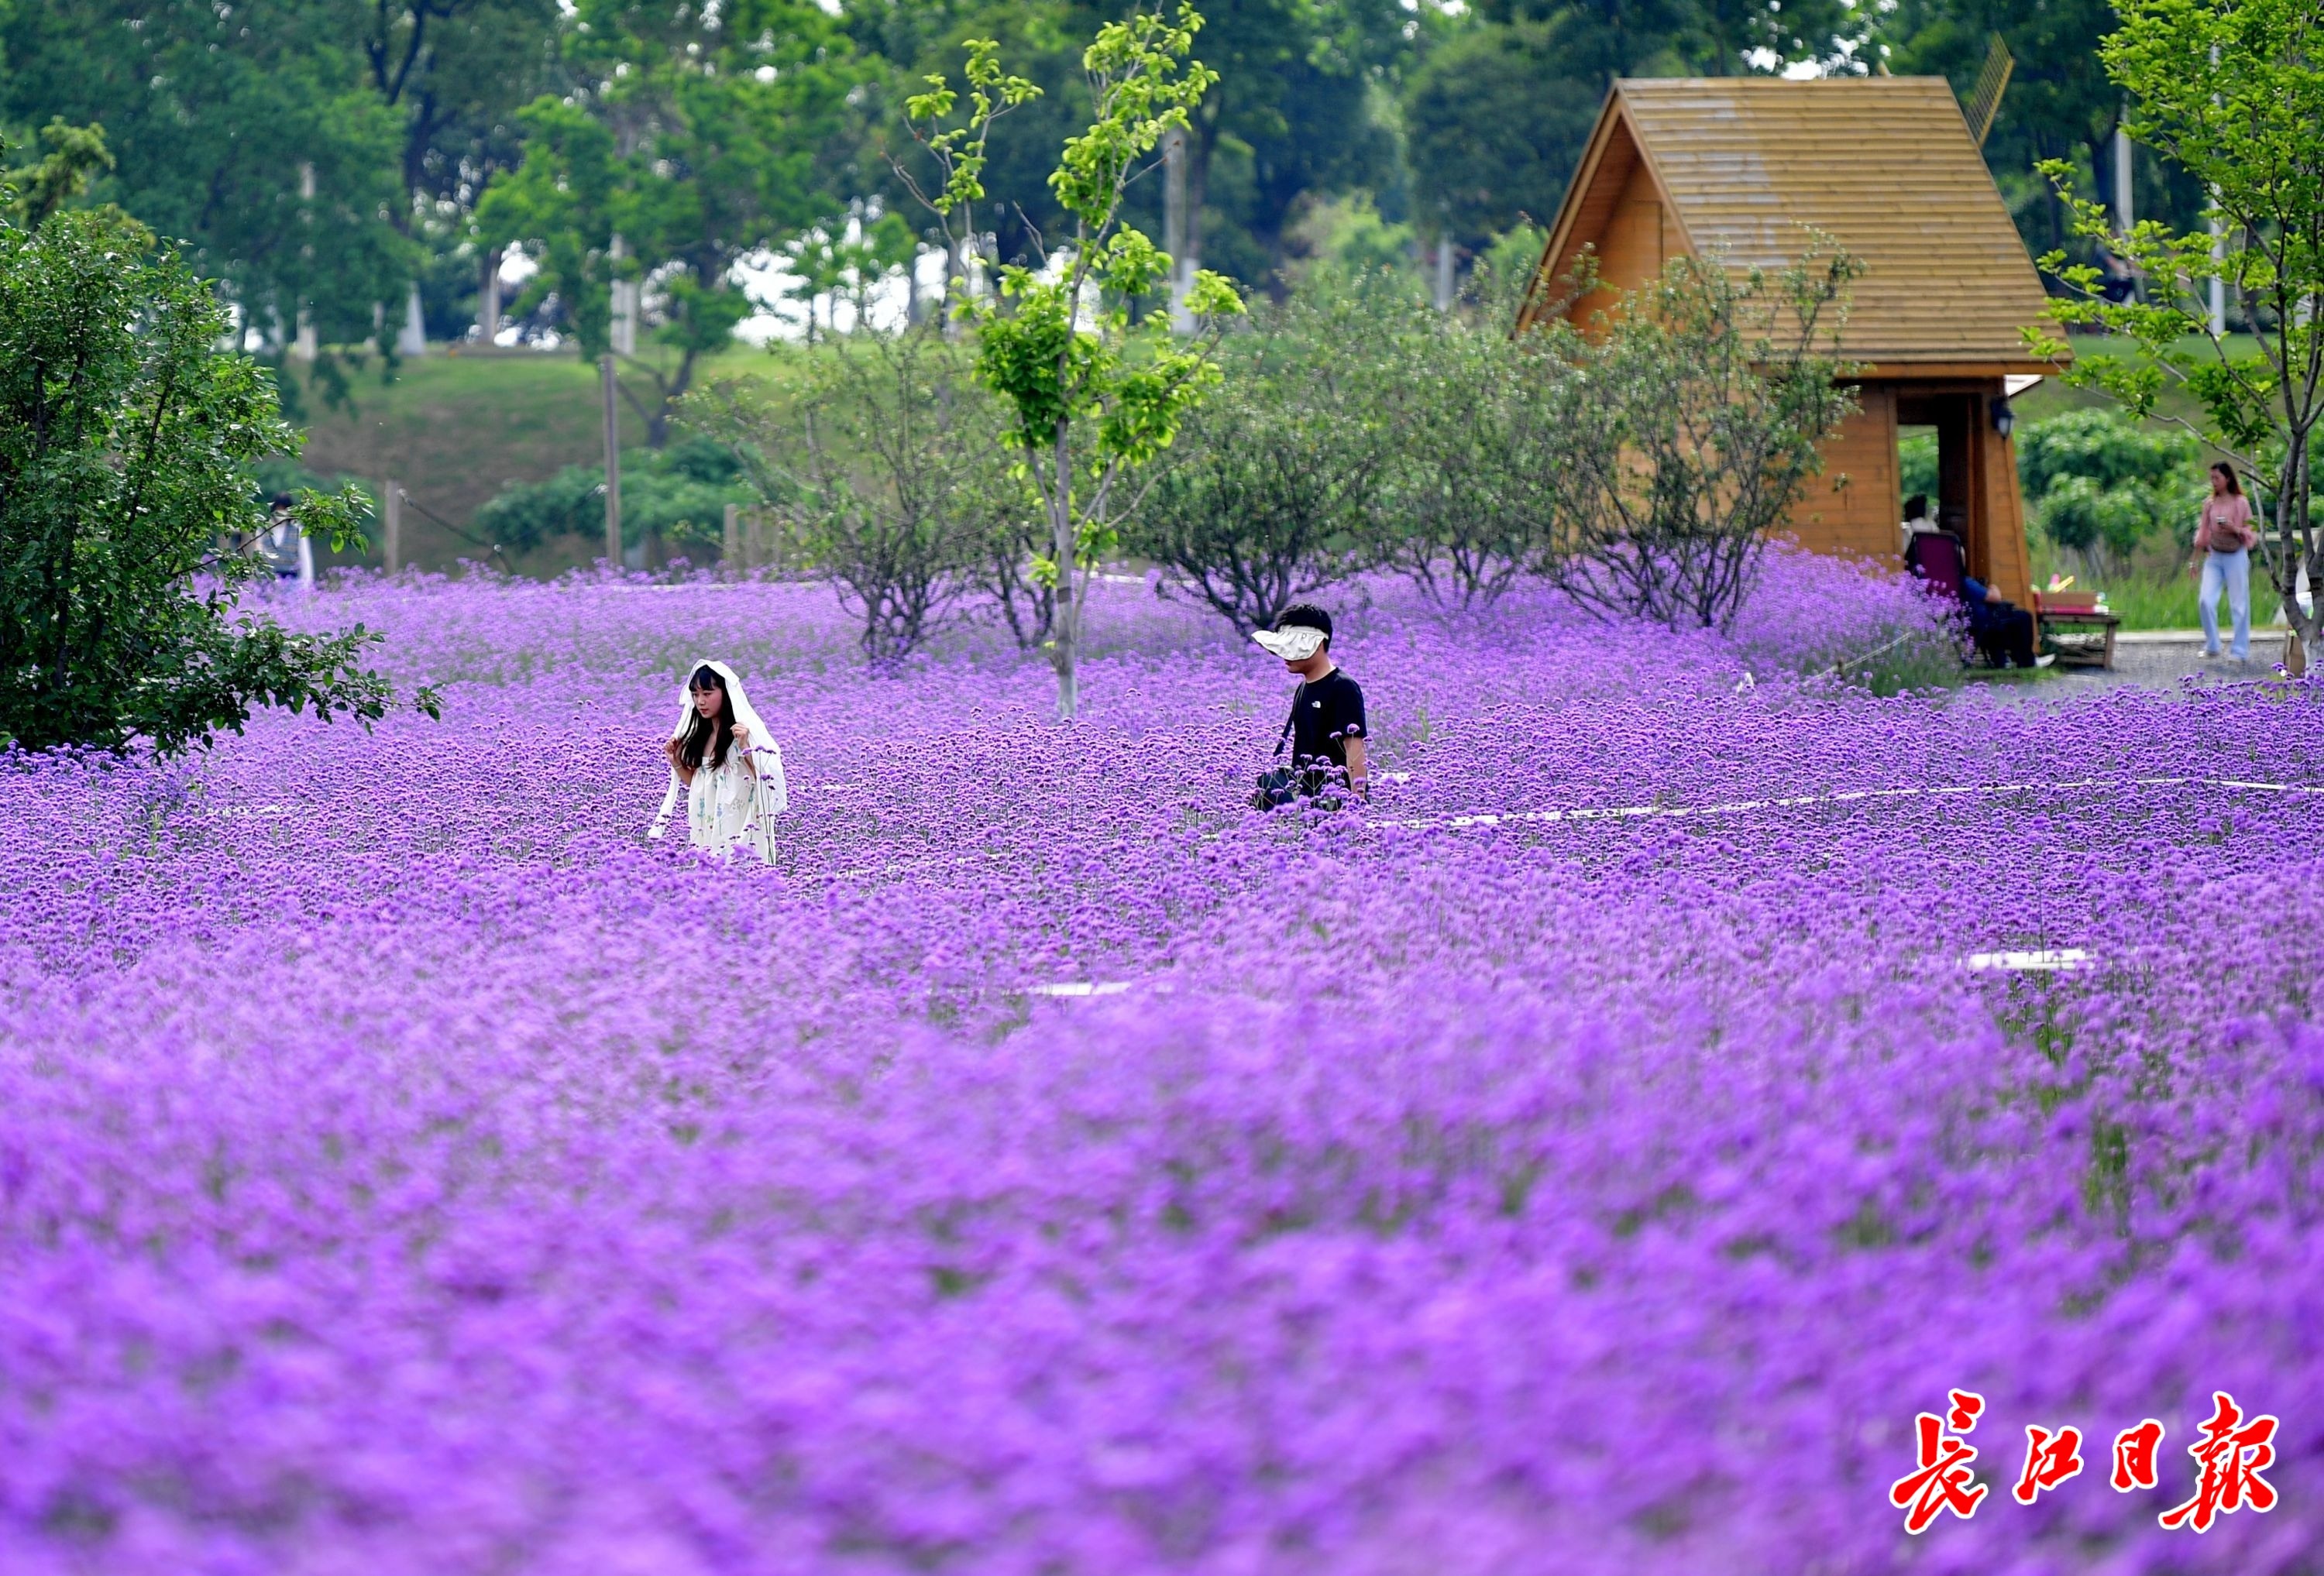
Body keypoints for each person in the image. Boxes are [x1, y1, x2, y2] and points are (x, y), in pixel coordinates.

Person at [648, 660, 788, 860]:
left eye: (707, 693)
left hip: (735, 822)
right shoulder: (699, 736)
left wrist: (746, 748)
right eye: (695, 695)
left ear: (725, 693)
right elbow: (700, 784)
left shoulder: (741, 735)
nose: (700, 701)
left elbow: (765, 782)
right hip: (705, 820)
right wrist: (676, 761)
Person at [1251, 605, 1368, 803]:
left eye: (1293, 645)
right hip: (1306, 802)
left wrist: (1357, 803)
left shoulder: (1343, 687)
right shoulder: (1303, 688)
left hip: (1336, 803)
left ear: (1319, 643)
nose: (1285, 656)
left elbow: (1354, 751)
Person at [2190, 461, 2257, 663]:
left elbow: (2250, 532)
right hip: (2215, 556)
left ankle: (2240, 650)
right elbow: (2202, 533)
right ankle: (2212, 645)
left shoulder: (2241, 502)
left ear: (2227, 478)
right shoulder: (2209, 503)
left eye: (2217, 478)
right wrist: (2194, 561)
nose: (2214, 482)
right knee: (2206, 600)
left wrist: (2233, 528)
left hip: (2236, 555)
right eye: (2211, 478)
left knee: (2239, 604)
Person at [1961, 575, 2050, 669]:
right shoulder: (1966, 582)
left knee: (2009, 620)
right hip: (1983, 621)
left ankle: (2003, 660)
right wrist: (1993, 587)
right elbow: (1996, 597)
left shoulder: (1952, 584)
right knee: (2024, 617)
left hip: (1974, 621)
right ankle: (2028, 662)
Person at [251, 493, 314, 592]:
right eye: (279, 509)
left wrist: (307, 585)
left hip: (291, 581)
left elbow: (305, 559)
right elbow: (258, 555)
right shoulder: (263, 529)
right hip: (268, 581)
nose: (281, 512)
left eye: (284, 509)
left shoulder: (298, 530)